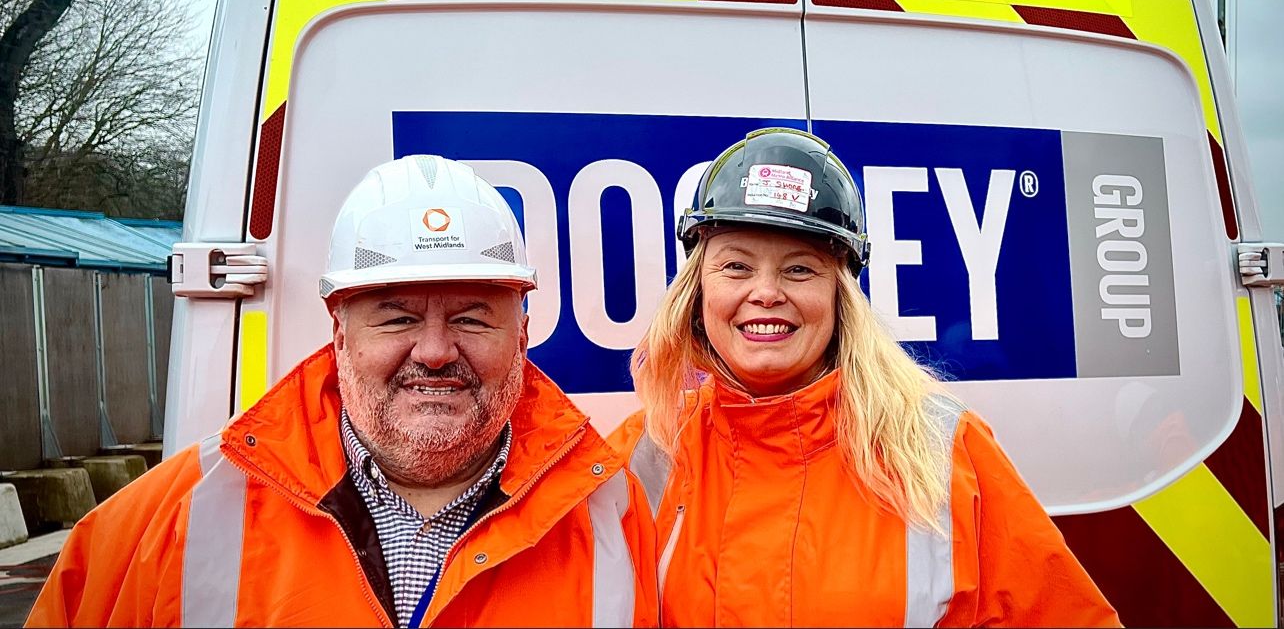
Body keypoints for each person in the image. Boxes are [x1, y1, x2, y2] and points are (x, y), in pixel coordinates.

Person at [29, 155, 657, 628]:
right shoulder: (171, 519)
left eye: (471, 316)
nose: (435, 351)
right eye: (396, 316)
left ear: (521, 335)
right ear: (339, 332)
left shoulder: (610, 511)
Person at [612, 128, 1120, 628]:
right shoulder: (644, 451)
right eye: (737, 266)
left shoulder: (941, 448)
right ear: (698, 292)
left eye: (799, 270)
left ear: (841, 297)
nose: (766, 292)